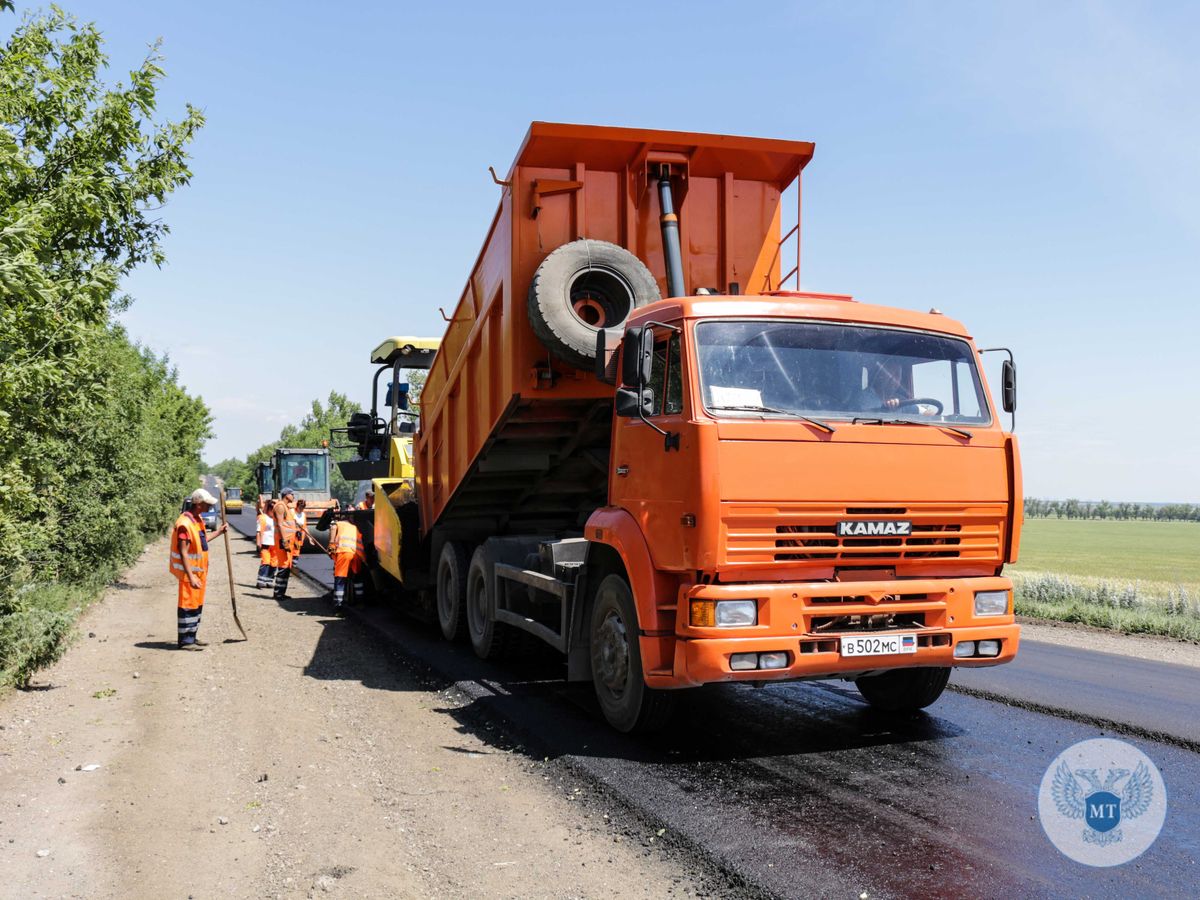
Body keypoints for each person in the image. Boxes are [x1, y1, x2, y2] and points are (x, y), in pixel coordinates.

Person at [170, 488, 228, 649]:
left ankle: (192, 636)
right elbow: (183, 551)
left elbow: (202, 541)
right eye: (208, 504)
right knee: (188, 605)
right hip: (190, 575)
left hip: (199, 573)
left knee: (196, 605)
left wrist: (219, 532)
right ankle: (185, 641)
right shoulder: (185, 524)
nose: (210, 507)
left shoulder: (197, 520)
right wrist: (191, 576)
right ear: (199, 505)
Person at [329, 512, 366, 613]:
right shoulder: (355, 527)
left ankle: (338, 605)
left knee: (340, 578)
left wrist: (331, 544)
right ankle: (360, 602)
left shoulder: (339, 524)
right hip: (357, 555)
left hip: (344, 552)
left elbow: (332, 527)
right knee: (357, 578)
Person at [271, 488, 297, 599]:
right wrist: (284, 541)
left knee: (286, 567)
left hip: (288, 541)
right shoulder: (280, 506)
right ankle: (278, 593)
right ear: (286, 495)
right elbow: (281, 525)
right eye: (292, 494)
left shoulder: (286, 507)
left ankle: (281, 592)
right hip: (283, 541)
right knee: (283, 567)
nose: (293, 496)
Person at [255, 498, 277, 589]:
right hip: (265, 543)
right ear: (268, 509)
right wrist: (258, 543)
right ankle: (261, 581)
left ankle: (269, 580)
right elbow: (259, 531)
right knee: (266, 562)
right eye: (272, 510)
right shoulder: (263, 518)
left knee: (274, 563)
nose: (273, 512)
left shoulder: (276, 519)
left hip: (275, 544)